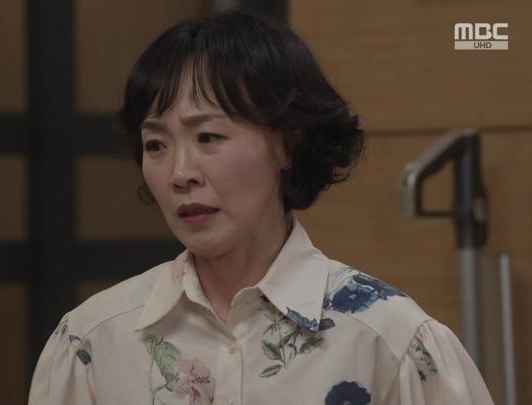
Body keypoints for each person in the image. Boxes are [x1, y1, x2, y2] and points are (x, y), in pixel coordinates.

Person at [28, 9, 495, 405]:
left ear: (287, 145)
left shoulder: (390, 339)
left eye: (208, 136)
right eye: (156, 145)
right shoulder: (93, 340)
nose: (180, 173)